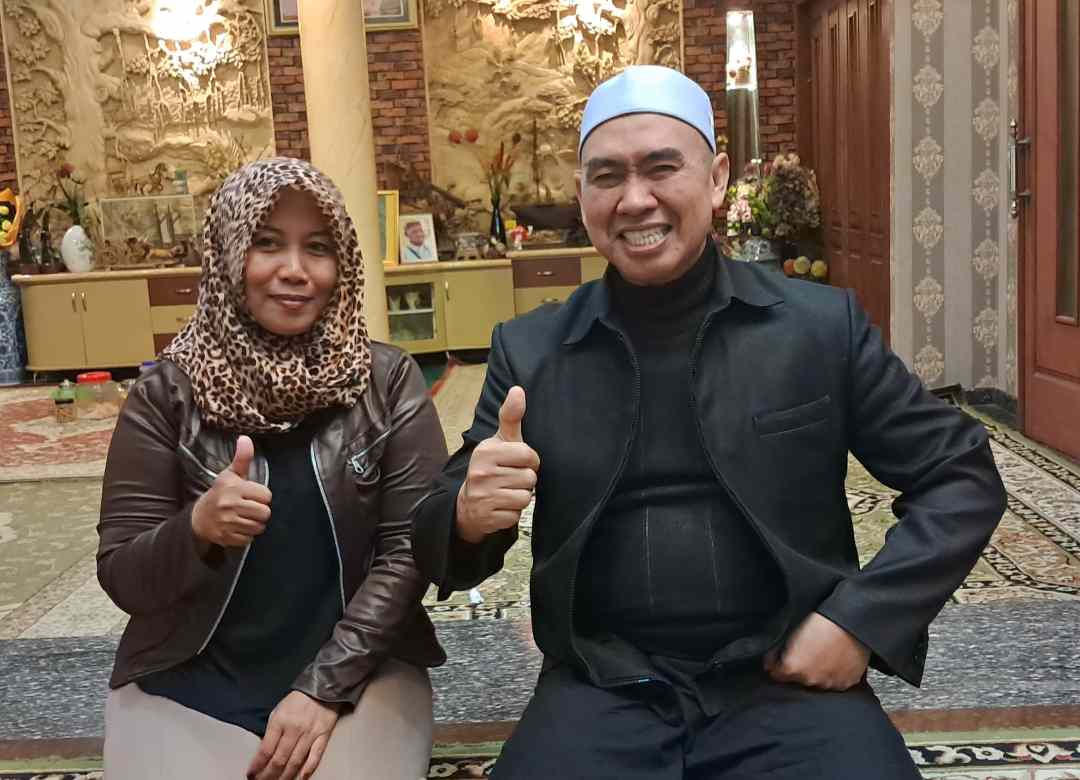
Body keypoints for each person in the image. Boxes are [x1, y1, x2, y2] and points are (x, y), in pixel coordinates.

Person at [410, 66, 1007, 779]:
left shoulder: (818, 329)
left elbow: (959, 475)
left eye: (662, 168)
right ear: (582, 194)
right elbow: (444, 537)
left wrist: (859, 621)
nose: (636, 199)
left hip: (785, 677)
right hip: (601, 684)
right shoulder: (531, 351)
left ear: (718, 178)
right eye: (607, 176)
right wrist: (467, 515)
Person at [98, 158, 447, 779]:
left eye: (317, 248)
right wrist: (196, 529)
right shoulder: (167, 395)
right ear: (229, 253)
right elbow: (123, 575)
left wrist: (323, 688)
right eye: (266, 243)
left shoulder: (388, 382)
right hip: (190, 670)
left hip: (360, 668)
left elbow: (408, 553)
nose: (294, 270)